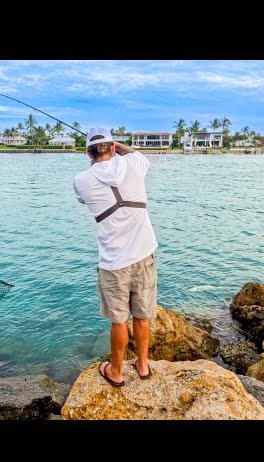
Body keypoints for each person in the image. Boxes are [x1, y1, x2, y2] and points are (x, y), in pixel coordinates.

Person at [73, 128, 158, 387]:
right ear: (113, 147)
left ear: (88, 152)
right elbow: (141, 158)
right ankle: (143, 365)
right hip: (144, 254)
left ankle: (117, 371)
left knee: (119, 320)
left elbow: (82, 198)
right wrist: (119, 147)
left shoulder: (82, 181)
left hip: (114, 262)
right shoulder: (133, 164)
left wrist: (105, 150)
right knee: (142, 315)